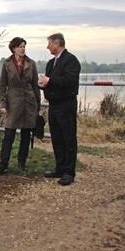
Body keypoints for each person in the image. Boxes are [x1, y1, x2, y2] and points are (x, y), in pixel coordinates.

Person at [0, 37, 41, 175]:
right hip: (13, 102)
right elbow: (2, 86)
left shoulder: (31, 63)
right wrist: (3, 104)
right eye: (20, 46)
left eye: (24, 46)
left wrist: (37, 104)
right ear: (13, 48)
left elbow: (35, 85)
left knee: (26, 135)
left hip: (29, 102)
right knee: (9, 134)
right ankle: (3, 164)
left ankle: (22, 162)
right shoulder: (7, 64)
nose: (23, 48)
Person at [38, 33, 81, 186]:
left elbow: (69, 81)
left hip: (66, 104)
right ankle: (60, 167)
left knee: (68, 137)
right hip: (54, 105)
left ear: (57, 44)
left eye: (49, 43)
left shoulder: (71, 61)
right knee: (56, 136)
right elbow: (51, 82)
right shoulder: (51, 63)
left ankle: (69, 172)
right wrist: (42, 85)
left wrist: (50, 80)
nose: (47, 46)